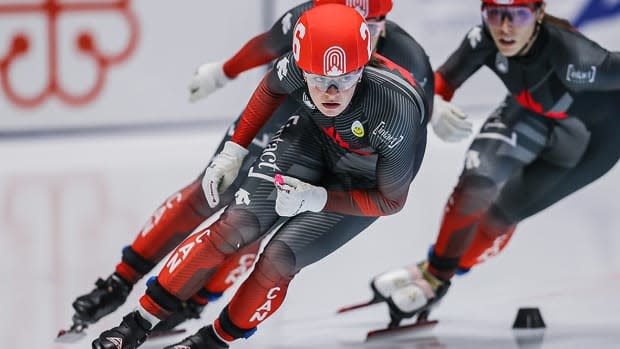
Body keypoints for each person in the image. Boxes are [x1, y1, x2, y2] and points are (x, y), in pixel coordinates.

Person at [68, 0, 455, 335]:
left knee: (255, 221)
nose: (352, 36)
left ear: (384, 24)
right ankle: (120, 280)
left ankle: (197, 298)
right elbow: (270, 47)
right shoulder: (309, 23)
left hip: (343, 147)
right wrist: (224, 71)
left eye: (369, 27)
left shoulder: (407, 60)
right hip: (298, 115)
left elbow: (405, 136)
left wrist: (436, 101)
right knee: (211, 191)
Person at [364, 0, 620, 327]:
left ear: (539, 14)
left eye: (518, 15)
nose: (505, 27)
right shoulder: (483, 37)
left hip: (588, 144)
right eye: (495, 14)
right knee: (476, 182)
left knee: (501, 214)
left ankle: (436, 274)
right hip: (531, 111)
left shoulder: (576, 59)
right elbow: (441, 81)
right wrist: (436, 106)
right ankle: (435, 272)